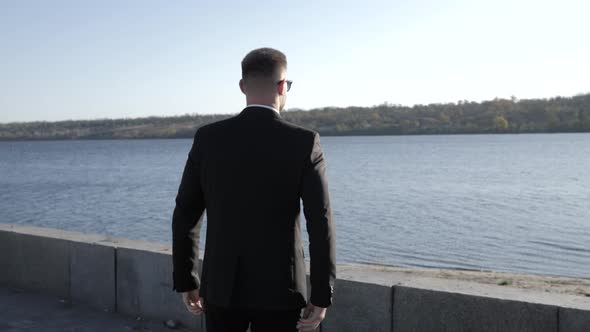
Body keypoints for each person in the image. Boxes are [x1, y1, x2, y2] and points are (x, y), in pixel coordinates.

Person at [171, 47, 336, 332]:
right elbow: (320, 222)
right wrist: (322, 293)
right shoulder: (304, 142)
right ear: (282, 86)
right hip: (281, 290)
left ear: (242, 86)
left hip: (221, 288)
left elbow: (186, 214)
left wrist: (186, 279)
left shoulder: (208, 139)